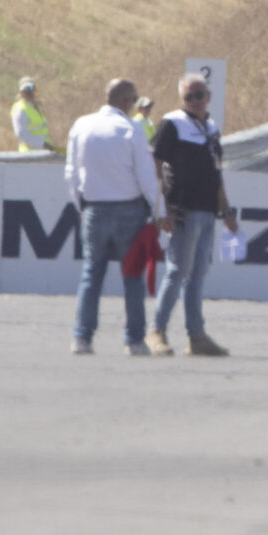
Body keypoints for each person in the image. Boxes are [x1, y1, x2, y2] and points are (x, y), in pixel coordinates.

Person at [63, 78, 166, 356]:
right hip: (129, 210)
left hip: (94, 208)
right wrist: (160, 212)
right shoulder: (131, 129)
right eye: (133, 100)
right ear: (126, 101)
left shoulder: (82, 125)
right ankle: (134, 341)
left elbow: (71, 173)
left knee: (90, 274)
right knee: (132, 277)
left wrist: (82, 206)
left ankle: (81, 338)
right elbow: (146, 177)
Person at [150, 72, 238, 358]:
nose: (194, 100)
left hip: (207, 211)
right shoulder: (172, 123)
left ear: (208, 96)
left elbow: (216, 173)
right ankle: (156, 331)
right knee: (177, 271)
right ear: (181, 98)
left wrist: (226, 210)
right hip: (183, 209)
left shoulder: (211, 128)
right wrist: (162, 208)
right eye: (189, 96)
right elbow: (155, 166)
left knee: (197, 275)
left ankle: (196, 336)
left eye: (199, 95)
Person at [11, 78, 53, 153]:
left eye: (31, 88)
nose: (29, 92)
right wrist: (42, 144)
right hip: (29, 154)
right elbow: (21, 134)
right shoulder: (20, 109)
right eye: (26, 90)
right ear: (21, 93)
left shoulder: (35, 107)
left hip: (42, 152)